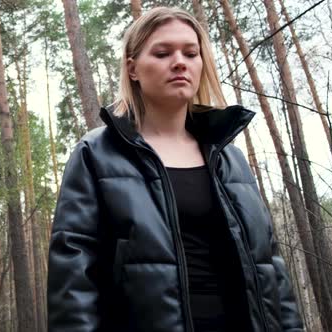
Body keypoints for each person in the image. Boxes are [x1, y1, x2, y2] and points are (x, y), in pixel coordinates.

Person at [47, 6, 303, 332]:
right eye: (163, 52)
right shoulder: (96, 154)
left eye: (191, 53)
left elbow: (272, 269)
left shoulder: (230, 160)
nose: (180, 61)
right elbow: (73, 278)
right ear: (133, 69)